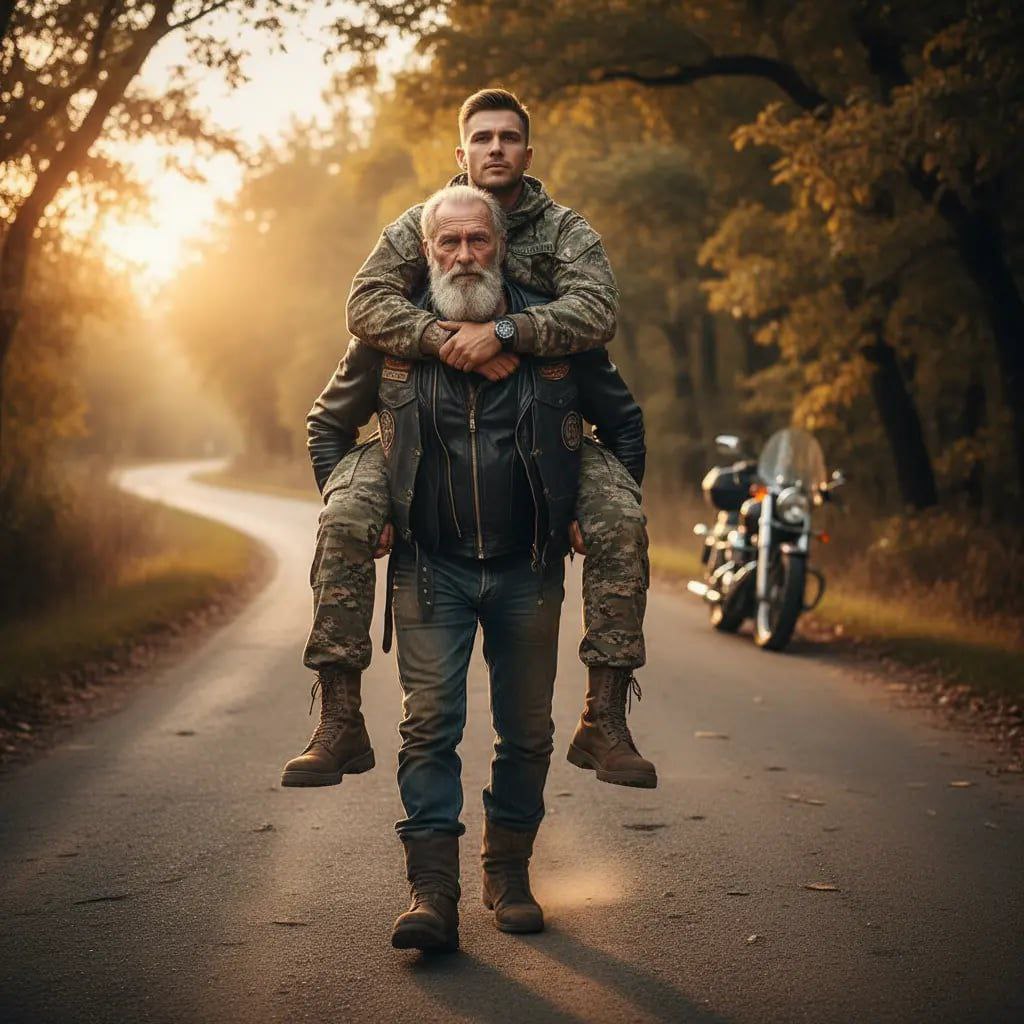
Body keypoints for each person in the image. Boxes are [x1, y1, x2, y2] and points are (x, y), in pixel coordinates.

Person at [303, 185, 647, 952]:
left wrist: (589, 510)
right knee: (429, 729)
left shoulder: (552, 326)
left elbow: (623, 424)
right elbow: (328, 425)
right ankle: (432, 895)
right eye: (448, 242)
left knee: (526, 733)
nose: (463, 255)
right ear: (426, 251)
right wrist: (367, 509)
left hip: (528, 568)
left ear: (502, 245)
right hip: (431, 569)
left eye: (478, 240)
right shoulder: (391, 333)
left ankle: (508, 875)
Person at [282, 87, 654, 793]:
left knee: (622, 519)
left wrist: (505, 333)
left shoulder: (566, 231)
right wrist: (444, 340)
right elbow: (364, 304)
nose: (495, 149)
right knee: (343, 516)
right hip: (422, 418)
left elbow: (597, 312)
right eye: (482, 138)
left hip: (547, 413)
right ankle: (338, 718)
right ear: (461, 153)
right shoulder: (424, 221)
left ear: (527, 154)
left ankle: (605, 716)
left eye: (508, 138)